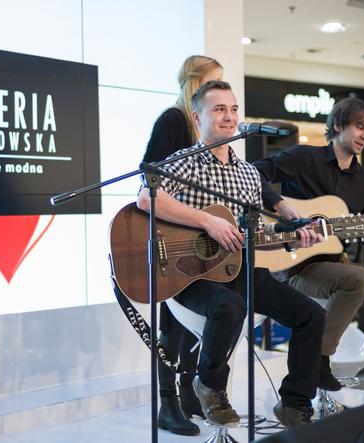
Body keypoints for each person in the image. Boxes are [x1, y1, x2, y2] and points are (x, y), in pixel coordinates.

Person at [137, 80, 327, 428]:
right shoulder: (184, 163)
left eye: (233, 109)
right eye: (219, 109)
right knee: (229, 306)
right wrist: (207, 221)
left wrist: (290, 241)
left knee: (311, 316)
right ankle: (209, 384)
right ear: (197, 117)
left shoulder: (249, 174)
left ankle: (295, 404)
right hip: (190, 272)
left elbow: (251, 237)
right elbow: (148, 198)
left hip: (239, 269)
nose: (229, 116)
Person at [253, 96, 364, 400]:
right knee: (358, 278)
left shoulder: (363, 179)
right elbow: (254, 172)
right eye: (360, 127)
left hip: (337, 263)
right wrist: (281, 205)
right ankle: (318, 359)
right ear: (337, 125)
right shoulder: (304, 159)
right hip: (296, 265)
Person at [142, 55, 223, 436]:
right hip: (170, 237)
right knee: (171, 324)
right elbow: (150, 175)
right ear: (196, 84)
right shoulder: (174, 120)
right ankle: (168, 403)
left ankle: (190, 395)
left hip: (196, 240)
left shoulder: (206, 132)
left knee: (193, 322)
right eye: (213, 82)